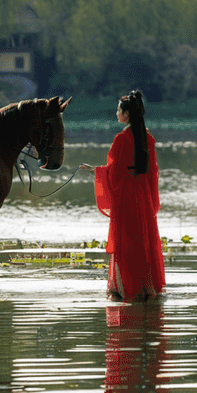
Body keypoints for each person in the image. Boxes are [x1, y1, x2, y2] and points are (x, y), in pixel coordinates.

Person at [81, 90, 165, 301]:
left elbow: (115, 172)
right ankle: (146, 287)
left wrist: (96, 171)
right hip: (142, 193)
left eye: (119, 110)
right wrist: (152, 199)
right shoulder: (148, 137)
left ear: (126, 114)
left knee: (127, 240)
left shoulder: (121, 139)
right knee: (142, 240)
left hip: (126, 193)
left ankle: (126, 286)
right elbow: (153, 171)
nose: (116, 113)